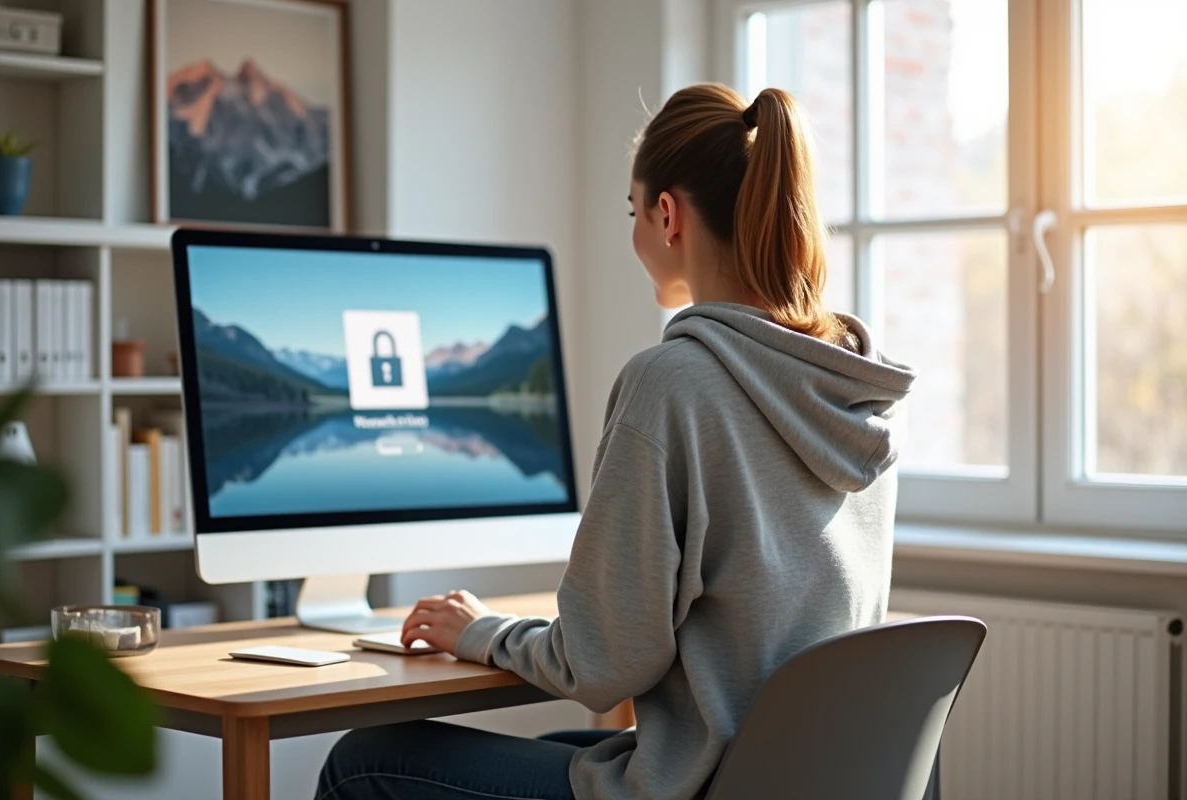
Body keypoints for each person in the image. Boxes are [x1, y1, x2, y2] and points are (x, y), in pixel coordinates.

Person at [315, 83, 915, 800]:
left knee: (364, 760)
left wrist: (480, 631)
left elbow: (602, 664)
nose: (634, 233)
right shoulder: (854, 390)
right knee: (566, 747)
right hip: (793, 778)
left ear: (668, 216)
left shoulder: (673, 383)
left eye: (633, 211)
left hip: (700, 785)